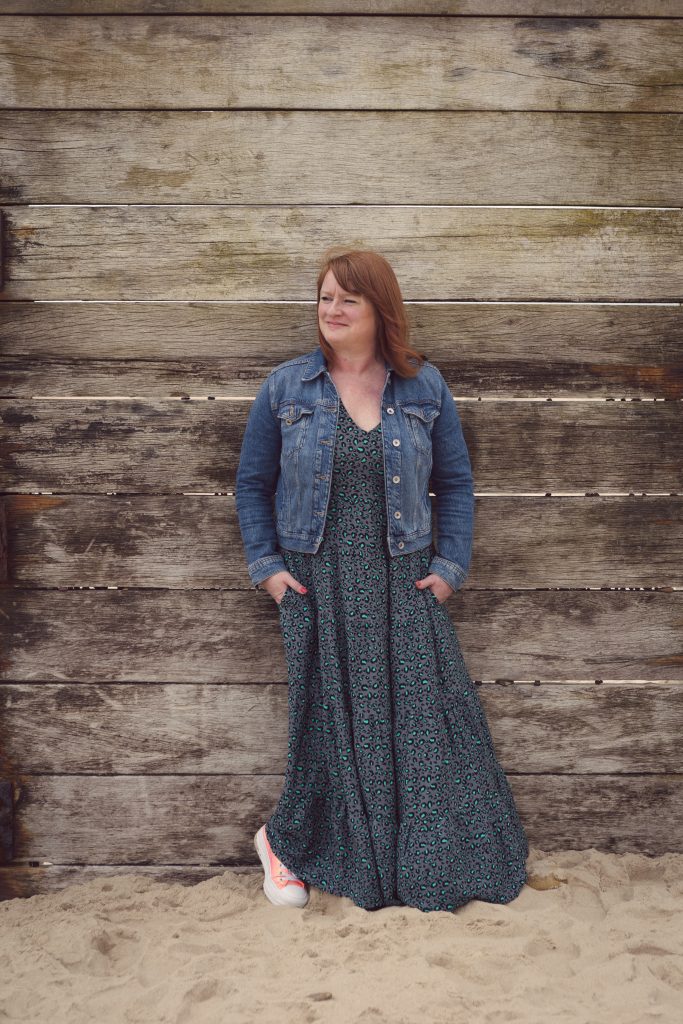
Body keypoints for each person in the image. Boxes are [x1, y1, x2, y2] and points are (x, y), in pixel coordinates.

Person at [236, 248, 529, 913]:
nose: (331, 311)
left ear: (379, 310)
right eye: (324, 298)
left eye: (348, 300)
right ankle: (282, 843)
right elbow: (251, 485)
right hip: (318, 583)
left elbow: (454, 485)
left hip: (403, 581)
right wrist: (270, 572)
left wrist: (448, 570)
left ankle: (413, 862)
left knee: (422, 728)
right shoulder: (288, 388)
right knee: (325, 728)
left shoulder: (422, 388)